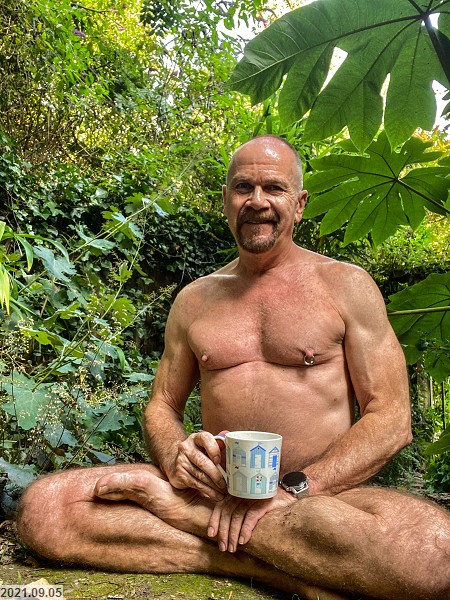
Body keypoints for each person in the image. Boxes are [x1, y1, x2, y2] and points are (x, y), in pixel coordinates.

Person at [17, 135, 450, 600]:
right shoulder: (194, 300)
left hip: (319, 498)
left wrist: (296, 491)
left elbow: (392, 418)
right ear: (226, 200)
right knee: (46, 509)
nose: (257, 201)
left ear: (300, 204)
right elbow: (162, 404)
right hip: (216, 490)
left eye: (274, 188)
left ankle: (199, 526)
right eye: (244, 187)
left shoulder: (347, 286)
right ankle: (281, 565)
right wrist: (176, 458)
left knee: (436, 556)